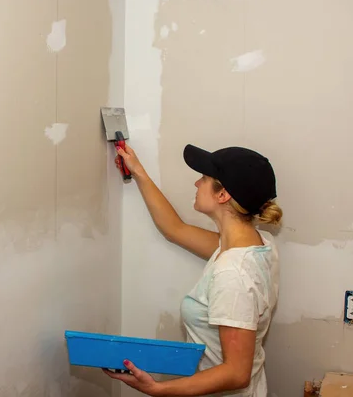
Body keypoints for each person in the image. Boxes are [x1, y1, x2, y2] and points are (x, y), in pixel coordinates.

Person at [103, 143, 282, 397]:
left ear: (223, 195)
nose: (197, 184)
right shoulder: (259, 244)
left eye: (204, 179)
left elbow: (236, 373)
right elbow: (175, 229)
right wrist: (138, 171)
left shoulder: (234, 274)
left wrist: (157, 389)